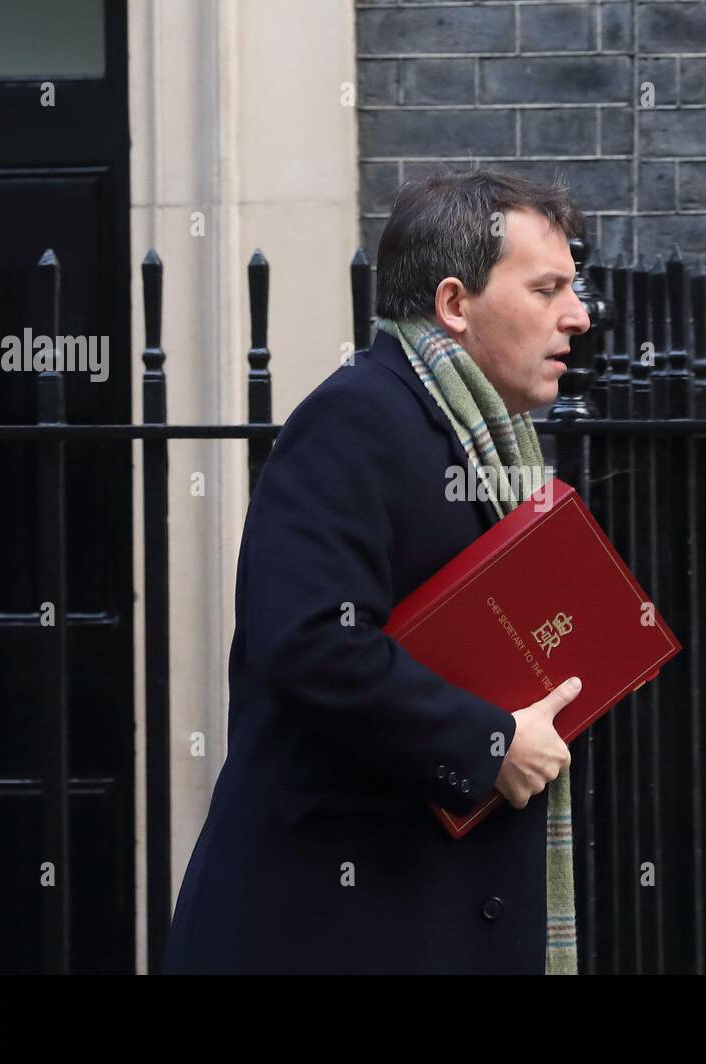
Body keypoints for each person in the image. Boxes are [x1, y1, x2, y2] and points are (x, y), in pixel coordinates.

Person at [161, 169, 593, 974]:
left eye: (574, 287)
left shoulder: (485, 443)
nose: (578, 315)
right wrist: (491, 741)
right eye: (547, 290)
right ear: (455, 304)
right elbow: (309, 643)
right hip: (334, 928)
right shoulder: (358, 416)